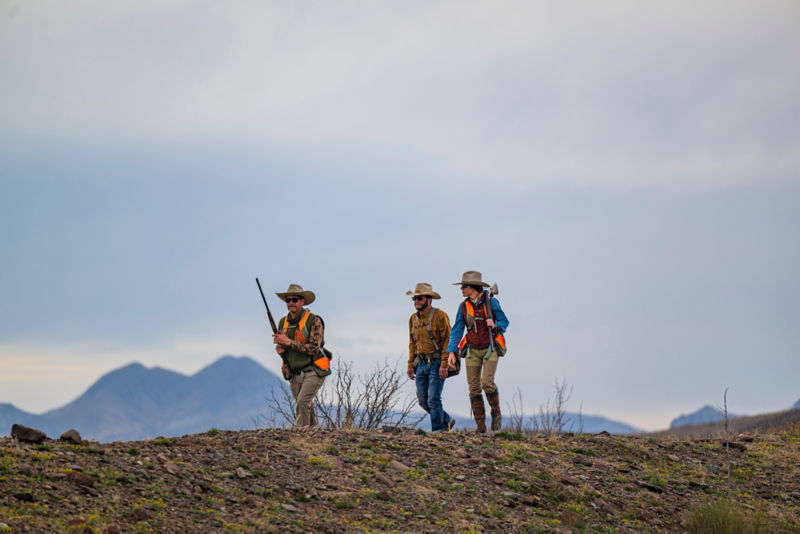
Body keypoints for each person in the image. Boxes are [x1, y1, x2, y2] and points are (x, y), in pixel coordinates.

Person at [446, 271, 509, 433]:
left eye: (464, 287)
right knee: (473, 388)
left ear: (473, 288)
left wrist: (494, 324)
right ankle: (481, 428)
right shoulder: (463, 307)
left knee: (487, 383)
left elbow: (504, 322)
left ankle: (496, 413)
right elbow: (457, 330)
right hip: (472, 349)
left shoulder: (491, 302)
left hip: (491, 347)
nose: (461, 289)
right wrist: (451, 351)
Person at [272, 283, 331, 427]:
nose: (291, 303)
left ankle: (302, 439)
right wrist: (282, 352)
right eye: (288, 300)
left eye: (295, 299)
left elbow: (313, 349)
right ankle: (315, 438)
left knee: (302, 402)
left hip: (314, 369)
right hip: (295, 372)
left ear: (302, 301)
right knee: (306, 406)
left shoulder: (314, 320)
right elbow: (286, 349)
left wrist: (288, 342)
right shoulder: (282, 322)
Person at [406, 282, 456, 432]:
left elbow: (448, 340)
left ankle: (438, 430)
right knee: (423, 400)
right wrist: (410, 365)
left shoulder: (440, 316)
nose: (416, 302)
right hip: (420, 364)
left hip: (437, 361)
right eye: (414, 299)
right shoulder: (413, 319)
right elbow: (412, 343)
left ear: (429, 299)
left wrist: (444, 365)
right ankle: (446, 420)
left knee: (433, 398)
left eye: (419, 298)